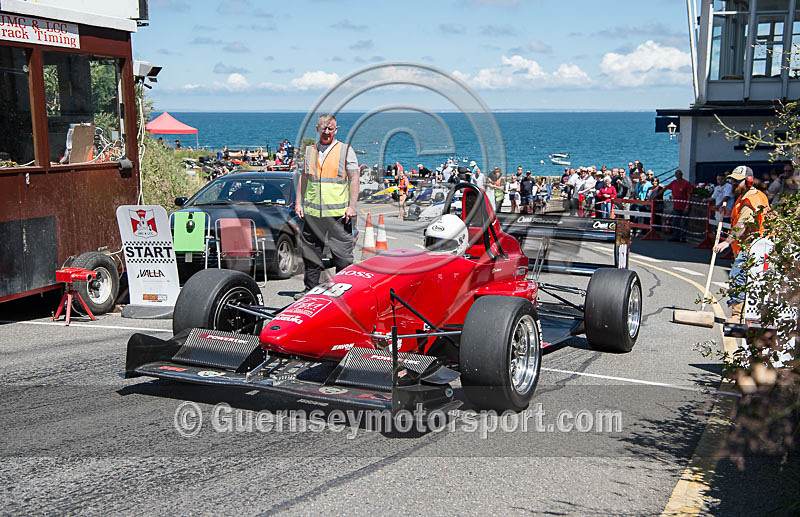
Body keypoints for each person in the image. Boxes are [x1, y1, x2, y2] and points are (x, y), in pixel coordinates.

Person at [295, 113, 360, 299]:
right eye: (323, 128)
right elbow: (304, 178)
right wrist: (299, 202)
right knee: (311, 256)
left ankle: (346, 293)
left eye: (330, 128)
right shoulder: (310, 151)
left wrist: (352, 206)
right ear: (317, 129)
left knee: (342, 257)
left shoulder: (345, 150)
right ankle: (310, 291)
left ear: (336, 129)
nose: (327, 131)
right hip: (313, 214)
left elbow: (354, 178)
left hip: (338, 214)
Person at [713, 166, 770, 323]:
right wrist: (726, 210)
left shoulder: (750, 200)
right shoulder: (746, 196)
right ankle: (746, 314)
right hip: (753, 244)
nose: (733, 183)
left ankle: (737, 316)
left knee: (738, 276)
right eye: (732, 180)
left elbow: (742, 224)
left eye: (737, 181)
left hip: (754, 245)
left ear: (749, 181)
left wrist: (726, 242)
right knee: (749, 279)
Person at [666, 170, 692, 242]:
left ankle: (683, 237)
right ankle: (676, 236)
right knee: (675, 222)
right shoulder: (673, 183)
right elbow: (665, 188)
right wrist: (656, 195)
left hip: (684, 206)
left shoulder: (686, 183)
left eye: (679, 174)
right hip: (676, 206)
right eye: (676, 174)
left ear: (681, 175)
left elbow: (689, 195)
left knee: (684, 222)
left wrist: (687, 205)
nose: (677, 176)